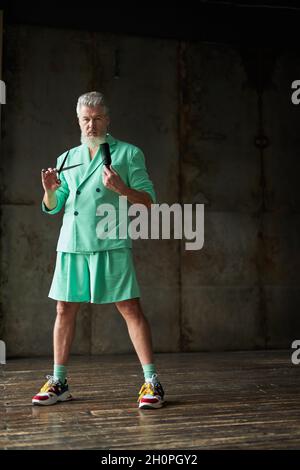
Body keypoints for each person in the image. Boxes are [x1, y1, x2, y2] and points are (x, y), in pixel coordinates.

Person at [32, 91, 165, 409]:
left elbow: (148, 201)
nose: (91, 125)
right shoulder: (66, 158)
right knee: (64, 310)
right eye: (85, 119)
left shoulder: (129, 153)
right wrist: (50, 190)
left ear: (107, 119)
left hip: (111, 241)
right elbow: (54, 207)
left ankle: (152, 383)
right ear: (78, 120)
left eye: (97, 118)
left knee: (131, 310)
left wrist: (122, 189)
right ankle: (59, 381)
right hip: (72, 242)